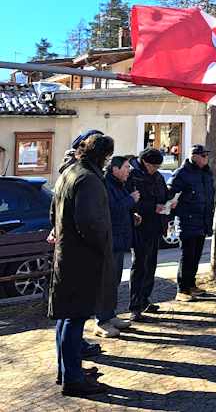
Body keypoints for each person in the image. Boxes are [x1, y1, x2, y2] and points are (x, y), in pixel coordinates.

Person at [48, 134, 115, 397]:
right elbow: (89, 223)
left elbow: (54, 212)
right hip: (82, 259)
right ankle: (73, 379)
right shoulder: (88, 179)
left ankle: (67, 370)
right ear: (104, 156)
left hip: (67, 255)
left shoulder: (69, 173)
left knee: (67, 317)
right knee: (74, 318)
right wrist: (101, 247)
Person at [93, 156, 140, 338]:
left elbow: (120, 210)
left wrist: (132, 215)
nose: (129, 170)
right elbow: (110, 210)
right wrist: (130, 200)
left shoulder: (119, 184)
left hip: (119, 241)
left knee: (114, 281)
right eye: (126, 167)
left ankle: (110, 315)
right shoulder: (106, 184)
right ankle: (101, 321)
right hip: (109, 241)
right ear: (115, 169)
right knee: (106, 283)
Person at [170, 144, 216, 302]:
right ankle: (182, 289)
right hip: (187, 221)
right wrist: (175, 206)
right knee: (187, 256)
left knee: (196, 256)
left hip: (202, 220)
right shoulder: (182, 173)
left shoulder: (206, 172)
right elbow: (170, 193)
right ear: (194, 156)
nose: (206, 158)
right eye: (203, 156)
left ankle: (191, 285)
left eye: (206, 155)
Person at [126, 148, 169, 320]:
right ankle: (135, 306)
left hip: (156, 226)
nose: (156, 169)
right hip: (140, 227)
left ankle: (145, 300)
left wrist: (168, 203)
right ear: (145, 162)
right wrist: (153, 207)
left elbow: (164, 194)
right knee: (140, 265)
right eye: (154, 166)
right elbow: (132, 202)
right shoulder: (132, 176)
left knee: (150, 264)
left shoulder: (157, 176)